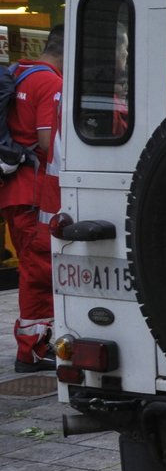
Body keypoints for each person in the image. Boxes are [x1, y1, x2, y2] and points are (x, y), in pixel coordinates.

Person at [2, 26, 64, 372]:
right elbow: (47, 142)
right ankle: (32, 350)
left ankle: (35, 345)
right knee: (38, 270)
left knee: (33, 266)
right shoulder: (50, 83)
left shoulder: (19, 72)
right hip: (34, 194)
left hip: (16, 189)